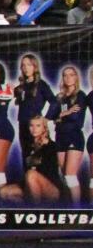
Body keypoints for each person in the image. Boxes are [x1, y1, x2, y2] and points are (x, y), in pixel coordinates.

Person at [55, 65, 87, 203]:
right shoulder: (60, 97)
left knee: (70, 176)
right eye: (65, 75)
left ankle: (77, 209)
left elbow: (75, 118)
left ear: (76, 77)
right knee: (63, 176)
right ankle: (68, 206)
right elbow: (53, 118)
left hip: (74, 136)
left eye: (71, 75)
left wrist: (61, 116)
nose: (68, 78)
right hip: (60, 136)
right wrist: (64, 113)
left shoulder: (80, 95)